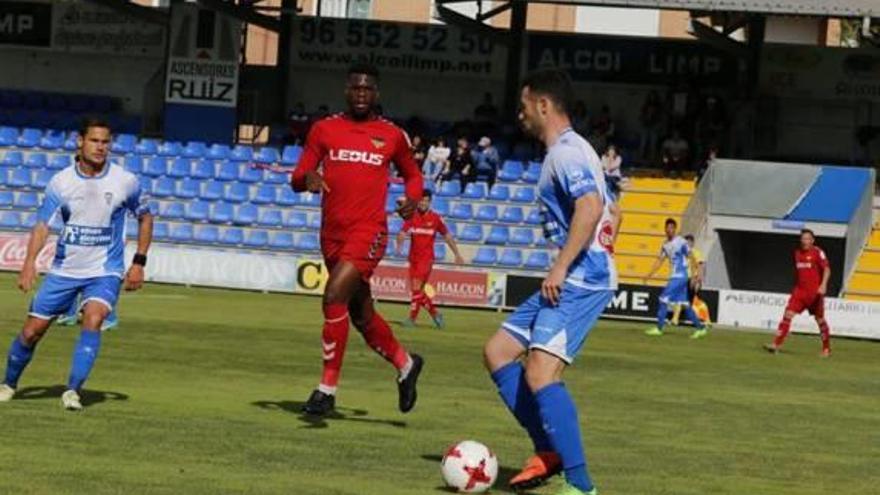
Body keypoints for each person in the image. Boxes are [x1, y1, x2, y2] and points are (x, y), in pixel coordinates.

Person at [483, 69, 617, 495]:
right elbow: (612, 209)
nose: (520, 115)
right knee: (499, 352)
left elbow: (591, 206)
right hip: (577, 272)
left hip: (580, 278)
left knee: (541, 373)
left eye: (524, 106)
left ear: (543, 105)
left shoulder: (565, 153)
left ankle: (580, 486)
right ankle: (549, 451)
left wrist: (562, 267)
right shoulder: (574, 150)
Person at [291, 63, 425, 417]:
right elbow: (298, 175)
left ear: (376, 93)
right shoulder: (325, 129)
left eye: (368, 89)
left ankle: (326, 390)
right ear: (346, 91)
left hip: (369, 231)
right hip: (331, 235)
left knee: (333, 294)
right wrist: (310, 179)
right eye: (356, 88)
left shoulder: (392, 135)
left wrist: (412, 200)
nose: (361, 94)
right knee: (361, 315)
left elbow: (413, 175)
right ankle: (406, 364)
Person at [0, 117, 153, 410]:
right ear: (79, 142)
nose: (100, 147)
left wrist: (139, 262)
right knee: (32, 332)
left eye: (105, 142)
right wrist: (29, 262)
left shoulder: (125, 181)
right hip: (64, 270)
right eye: (94, 141)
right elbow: (43, 225)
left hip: (105, 270)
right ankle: (8, 383)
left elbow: (146, 217)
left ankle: (73, 391)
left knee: (93, 319)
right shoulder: (62, 182)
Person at [397, 190, 465, 328]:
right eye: (421, 200)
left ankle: (411, 320)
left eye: (426, 201)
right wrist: (400, 243)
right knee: (418, 292)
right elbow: (402, 232)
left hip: (426, 260)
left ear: (429, 202)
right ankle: (435, 314)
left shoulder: (435, 219)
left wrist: (457, 254)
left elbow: (447, 236)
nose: (423, 203)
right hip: (413, 259)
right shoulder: (412, 216)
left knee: (416, 289)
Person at [764, 229, 832, 357]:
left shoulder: (818, 252)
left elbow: (827, 269)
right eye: (803, 238)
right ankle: (776, 344)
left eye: (807, 239)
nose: (805, 241)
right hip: (799, 292)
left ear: (812, 240)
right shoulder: (797, 253)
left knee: (820, 320)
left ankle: (826, 349)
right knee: (788, 314)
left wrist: (823, 285)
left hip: (814, 294)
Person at [644, 219, 708, 339]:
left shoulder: (681, 242)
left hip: (680, 276)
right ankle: (701, 328)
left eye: (671, 228)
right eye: (667, 228)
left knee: (663, 299)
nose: (669, 230)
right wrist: (650, 274)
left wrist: (696, 274)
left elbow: (691, 256)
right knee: (685, 304)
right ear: (665, 229)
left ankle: (659, 328)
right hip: (676, 276)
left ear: (675, 229)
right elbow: (660, 260)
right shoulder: (665, 244)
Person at [671, 234, 705, 326]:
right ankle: (675, 319)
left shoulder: (696, 253)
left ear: (692, 243)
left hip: (691, 279)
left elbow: (700, 266)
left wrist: (698, 279)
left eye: (689, 242)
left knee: (687, 301)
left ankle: (696, 319)